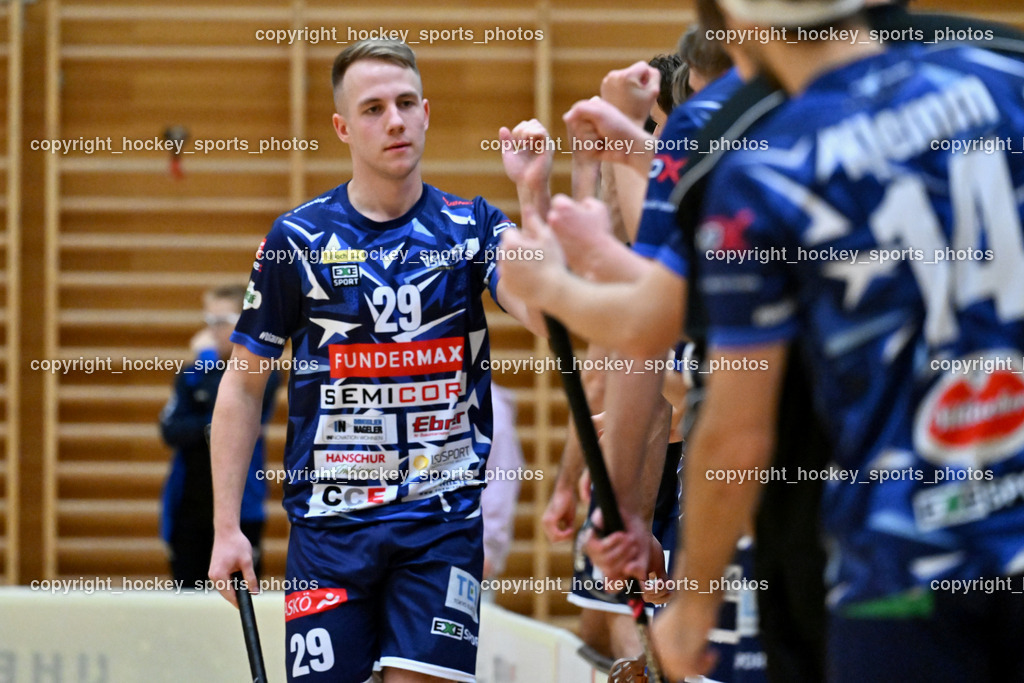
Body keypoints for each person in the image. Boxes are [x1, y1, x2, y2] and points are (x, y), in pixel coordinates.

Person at [644, 0, 1024, 680]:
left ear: (734, 25)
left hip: (901, 578)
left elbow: (737, 432)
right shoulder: (999, 77)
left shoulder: (766, 166)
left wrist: (693, 605)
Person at [207, 39, 543, 683]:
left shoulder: (472, 226)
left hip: (440, 524)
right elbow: (243, 387)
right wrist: (227, 527)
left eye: (406, 103)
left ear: (426, 114)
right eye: (373, 108)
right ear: (342, 127)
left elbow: (546, 313)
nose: (395, 120)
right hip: (328, 531)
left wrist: (533, 196)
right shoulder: (297, 239)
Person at [159, 285, 279, 587]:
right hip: (188, 508)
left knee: (240, 599)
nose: (212, 331)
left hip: (242, 510)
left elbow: (231, 417)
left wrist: (207, 363)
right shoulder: (192, 373)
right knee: (187, 601)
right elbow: (171, 430)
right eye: (209, 321)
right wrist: (207, 425)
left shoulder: (263, 373)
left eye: (222, 321)